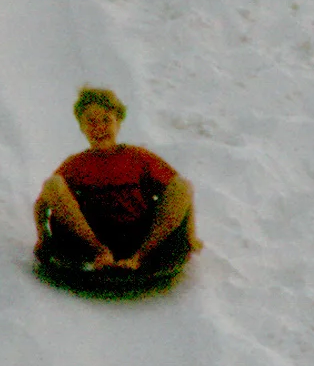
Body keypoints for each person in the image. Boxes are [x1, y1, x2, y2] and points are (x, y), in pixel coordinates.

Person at [35, 87, 197, 275]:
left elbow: (182, 196)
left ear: (118, 122)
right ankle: (100, 253)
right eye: (91, 122)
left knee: (182, 184)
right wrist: (43, 237)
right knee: (53, 183)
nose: (99, 128)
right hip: (95, 234)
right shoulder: (77, 164)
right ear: (82, 128)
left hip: (138, 233)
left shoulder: (138, 157)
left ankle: (139, 257)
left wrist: (190, 235)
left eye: (106, 120)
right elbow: (43, 202)